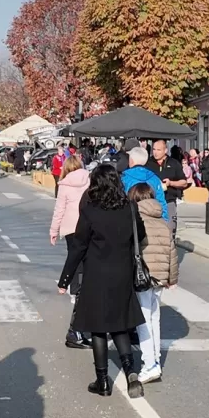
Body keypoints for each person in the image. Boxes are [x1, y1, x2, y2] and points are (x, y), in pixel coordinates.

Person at [57, 164, 146, 399]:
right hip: (123, 272)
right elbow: (141, 235)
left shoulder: (90, 211)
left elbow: (78, 247)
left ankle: (102, 381)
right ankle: (130, 373)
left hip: (97, 274)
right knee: (120, 325)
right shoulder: (129, 208)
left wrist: (65, 279)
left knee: (98, 328)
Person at [128, 183, 178, 384]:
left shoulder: (136, 220)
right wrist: (172, 278)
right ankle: (155, 359)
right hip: (160, 277)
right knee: (154, 318)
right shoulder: (163, 221)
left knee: (143, 321)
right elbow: (172, 252)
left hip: (143, 277)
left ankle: (149, 364)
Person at [49, 155, 91, 349]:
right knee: (86, 262)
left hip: (70, 230)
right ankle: (80, 288)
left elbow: (59, 210)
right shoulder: (89, 179)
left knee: (73, 259)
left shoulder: (64, 184)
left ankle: (75, 288)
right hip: (88, 228)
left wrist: (53, 231)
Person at [147, 140, 186, 235]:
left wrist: (170, 183)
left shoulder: (174, 163)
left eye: (159, 150)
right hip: (152, 201)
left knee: (169, 229)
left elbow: (184, 182)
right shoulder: (148, 163)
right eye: (154, 149)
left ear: (165, 150)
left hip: (169, 200)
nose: (155, 152)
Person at [120, 146, 168, 221]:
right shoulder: (155, 178)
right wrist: (164, 221)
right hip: (152, 219)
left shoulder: (124, 178)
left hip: (130, 219)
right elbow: (161, 202)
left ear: (131, 160)